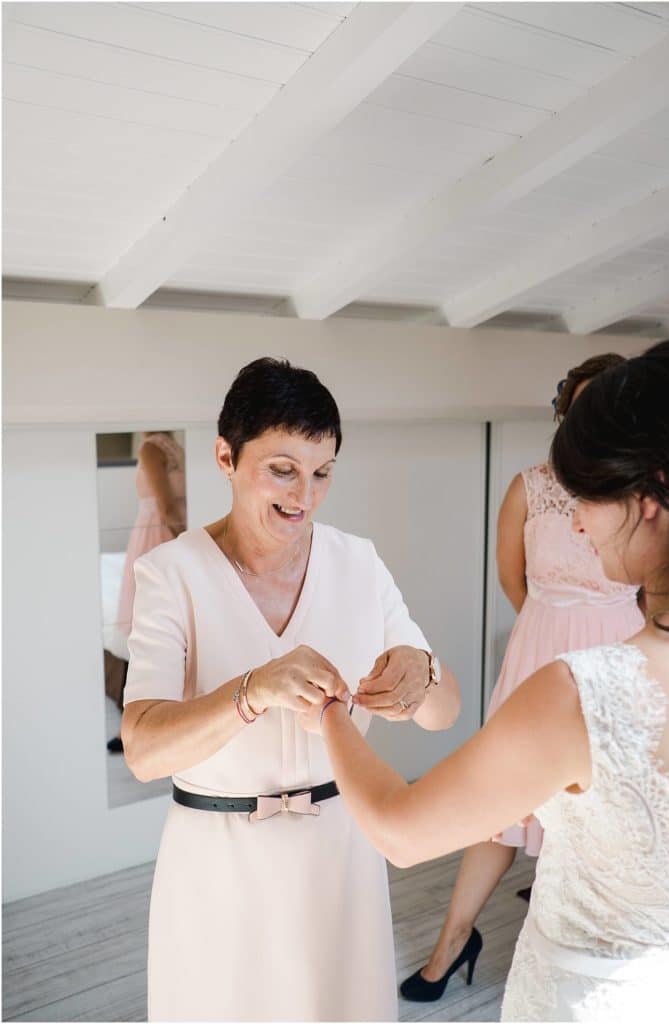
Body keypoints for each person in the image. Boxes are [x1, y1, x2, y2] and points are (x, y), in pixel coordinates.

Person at [304, 339, 669, 1022]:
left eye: (590, 495)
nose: (574, 518)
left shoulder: (584, 696)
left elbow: (401, 831)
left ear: (648, 493)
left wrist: (328, 708)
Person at [121, 358, 461, 1022]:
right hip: (217, 861)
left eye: (322, 472)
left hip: (341, 854)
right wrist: (251, 690)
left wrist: (425, 672)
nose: (303, 494)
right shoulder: (172, 574)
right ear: (226, 456)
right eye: (282, 469)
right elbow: (142, 751)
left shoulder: (358, 562)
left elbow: (443, 715)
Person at [400, 353, 644, 1001]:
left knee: (598, 816)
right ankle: (452, 942)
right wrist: (550, 636)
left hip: (619, 656)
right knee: (497, 810)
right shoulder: (529, 487)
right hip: (540, 651)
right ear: (566, 415)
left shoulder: (641, 494)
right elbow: (514, 580)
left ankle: (576, 949)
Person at [107, 431, 186, 753]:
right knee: (152, 625)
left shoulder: (158, 447)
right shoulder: (169, 448)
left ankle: (151, 722)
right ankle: (142, 722)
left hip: (162, 532)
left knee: (155, 627)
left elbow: (167, 504)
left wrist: (187, 540)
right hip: (162, 532)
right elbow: (168, 504)